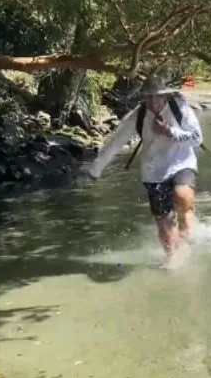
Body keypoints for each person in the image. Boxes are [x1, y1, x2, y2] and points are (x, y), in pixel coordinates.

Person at [87, 76, 204, 266]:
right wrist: (96, 169)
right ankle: (173, 257)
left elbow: (197, 138)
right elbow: (115, 143)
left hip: (181, 162)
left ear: (165, 96)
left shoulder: (179, 108)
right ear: (143, 98)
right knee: (163, 219)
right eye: (148, 98)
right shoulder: (138, 116)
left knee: (182, 195)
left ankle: (187, 227)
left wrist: (170, 132)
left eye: (157, 97)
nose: (153, 102)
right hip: (153, 171)